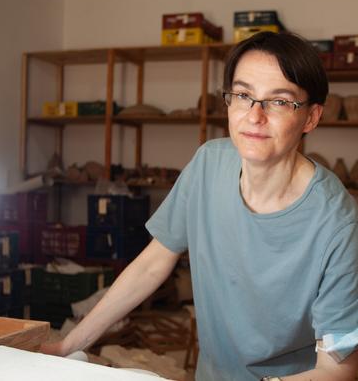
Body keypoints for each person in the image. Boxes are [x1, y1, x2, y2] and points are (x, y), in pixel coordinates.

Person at [41, 31, 358, 381]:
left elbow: (339, 367)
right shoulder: (208, 165)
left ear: (311, 118)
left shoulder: (339, 223)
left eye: (279, 101)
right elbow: (152, 265)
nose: (255, 116)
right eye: (243, 95)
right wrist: (66, 345)